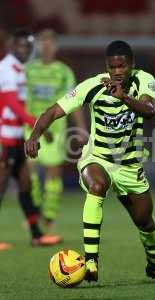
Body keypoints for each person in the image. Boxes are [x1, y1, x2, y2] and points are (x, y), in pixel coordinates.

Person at [25, 40, 155, 284]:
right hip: (96, 158)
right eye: (113, 67)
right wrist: (35, 135)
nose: (118, 72)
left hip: (129, 164)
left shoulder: (144, 80)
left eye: (122, 66)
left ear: (132, 65)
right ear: (106, 67)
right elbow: (53, 111)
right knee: (97, 186)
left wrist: (123, 97)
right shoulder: (93, 86)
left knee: (145, 221)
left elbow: (149, 109)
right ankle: (91, 262)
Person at [0, 29, 62, 250]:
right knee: (2, 186)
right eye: (21, 46)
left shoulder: (19, 69)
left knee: (25, 184)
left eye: (28, 46)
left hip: (16, 138)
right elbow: (11, 104)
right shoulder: (7, 68)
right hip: (5, 137)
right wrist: (38, 125)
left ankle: (36, 235)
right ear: (12, 46)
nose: (25, 50)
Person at [25, 28, 85, 228]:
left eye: (50, 43)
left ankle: (48, 216)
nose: (47, 47)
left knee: (53, 173)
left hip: (56, 128)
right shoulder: (28, 70)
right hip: (30, 126)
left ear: (56, 47)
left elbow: (74, 101)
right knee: (29, 171)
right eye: (43, 43)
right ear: (38, 46)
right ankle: (33, 213)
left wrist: (81, 129)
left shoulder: (64, 71)